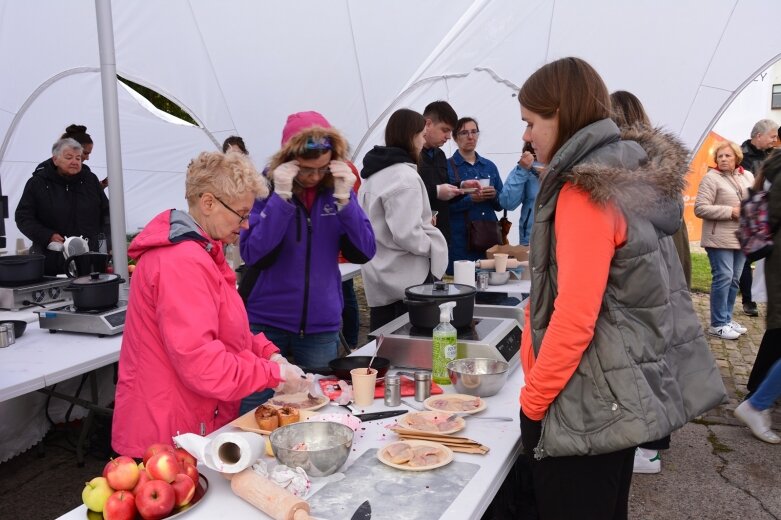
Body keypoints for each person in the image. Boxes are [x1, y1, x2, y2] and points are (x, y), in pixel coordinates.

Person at [517, 57, 725, 519]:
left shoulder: (584, 190)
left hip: (589, 398)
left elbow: (575, 316)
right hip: (621, 390)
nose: (527, 136)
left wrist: (532, 404)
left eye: (531, 122)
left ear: (562, 113)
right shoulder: (626, 173)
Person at [112, 151, 309, 457]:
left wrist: (269, 355)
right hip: (166, 436)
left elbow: (228, 330)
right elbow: (203, 364)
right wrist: (273, 375)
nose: (245, 225)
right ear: (208, 203)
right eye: (242, 214)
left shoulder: (203, 252)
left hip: (188, 421)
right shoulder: (181, 262)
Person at [239, 111, 375, 371]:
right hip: (266, 322)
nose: (314, 177)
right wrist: (280, 199)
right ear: (289, 160)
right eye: (306, 170)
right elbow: (253, 252)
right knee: (256, 406)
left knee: (321, 405)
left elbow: (365, 250)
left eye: (322, 168)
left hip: (320, 325)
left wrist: (346, 202)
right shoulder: (265, 189)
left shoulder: (337, 188)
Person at [609, 90, 692, 474]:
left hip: (652, 270)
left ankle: (653, 446)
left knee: (649, 359)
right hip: (667, 266)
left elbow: (656, 216)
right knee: (658, 355)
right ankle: (654, 441)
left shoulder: (630, 165)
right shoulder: (658, 160)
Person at [359, 108, 448, 330]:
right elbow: (406, 233)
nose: (422, 141)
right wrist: (433, 246)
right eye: (420, 135)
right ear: (411, 136)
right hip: (407, 282)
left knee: (383, 346)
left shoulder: (373, 176)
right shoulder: (403, 177)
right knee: (408, 347)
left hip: (380, 276)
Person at [15, 137, 110, 275]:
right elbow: (23, 217)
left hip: (89, 261)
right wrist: (47, 236)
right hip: (52, 261)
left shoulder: (90, 180)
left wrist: (108, 243)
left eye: (78, 158)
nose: (74, 162)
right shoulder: (38, 183)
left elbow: (107, 214)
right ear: (55, 159)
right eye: (69, 157)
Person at [694, 140, 754, 340]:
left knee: (735, 279)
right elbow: (700, 208)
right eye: (720, 156)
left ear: (737, 157)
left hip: (742, 237)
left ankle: (727, 319)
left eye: (728, 155)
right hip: (718, 238)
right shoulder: (711, 178)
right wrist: (731, 212)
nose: (723, 159)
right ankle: (718, 323)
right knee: (724, 277)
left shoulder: (748, 176)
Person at [446, 117, 503, 272]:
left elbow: (501, 205)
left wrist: (494, 195)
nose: (470, 137)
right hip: (460, 242)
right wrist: (470, 199)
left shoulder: (489, 166)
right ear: (455, 137)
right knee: (463, 287)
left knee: (493, 288)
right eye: (464, 133)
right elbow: (443, 208)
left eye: (474, 132)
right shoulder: (447, 167)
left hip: (489, 239)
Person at [746, 150, 781, 398]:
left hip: (773, 252)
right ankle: (758, 394)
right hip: (777, 253)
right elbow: (775, 212)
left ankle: (759, 388)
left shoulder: (772, 165)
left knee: (777, 326)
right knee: (778, 327)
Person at [739, 119, 779, 317]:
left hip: (764, 216)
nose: (774, 140)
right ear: (758, 136)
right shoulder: (740, 155)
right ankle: (748, 299)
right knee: (746, 258)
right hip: (751, 216)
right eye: (772, 136)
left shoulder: (772, 157)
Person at [418, 101, 462, 243]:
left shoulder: (440, 155)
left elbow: (443, 190)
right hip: (420, 234)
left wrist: (462, 187)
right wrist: (436, 191)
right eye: (445, 130)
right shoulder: (411, 155)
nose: (449, 137)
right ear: (428, 124)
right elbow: (408, 193)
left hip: (441, 234)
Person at [499, 141, 540, 246]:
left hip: (564, 237)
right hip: (531, 241)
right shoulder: (526, 168)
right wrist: (522, 169)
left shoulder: (568, 165)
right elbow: (507, 202)